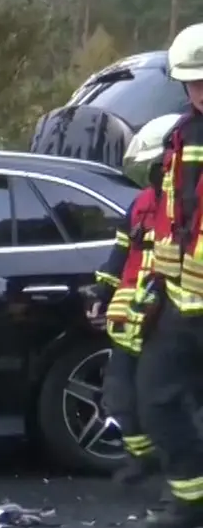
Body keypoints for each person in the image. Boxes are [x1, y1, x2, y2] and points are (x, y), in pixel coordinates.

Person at [134, 22, 203, 528]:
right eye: (192, 83)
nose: (199, 93)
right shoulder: (180, 134)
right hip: (183, 300)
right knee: (156, 397)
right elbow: (167, 212)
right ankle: (190, 497)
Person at [87, 113, 179, 486]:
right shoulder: (141, 205)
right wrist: (100, 292)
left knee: (165, 400)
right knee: (121, 396)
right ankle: (142, 460)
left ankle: (181, 480)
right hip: (130, 320)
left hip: (169, 319)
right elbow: (121, 252)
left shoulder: (188, 206)